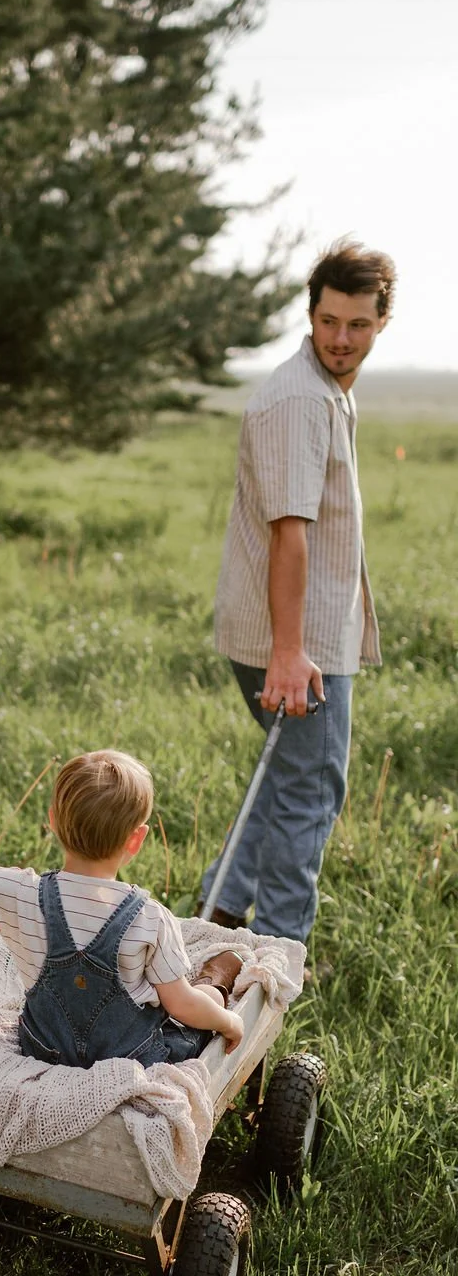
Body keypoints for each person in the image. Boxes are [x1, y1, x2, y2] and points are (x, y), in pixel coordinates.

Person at [200, 240, 395, 942]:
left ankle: (216, 914)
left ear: (381, 323)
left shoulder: (325, 391)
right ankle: (278, 958)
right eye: (329, 321)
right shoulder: (298, 401)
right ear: (310, 315)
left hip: (300, 633)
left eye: (359, 325)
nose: (341, 339)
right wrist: (290, 651)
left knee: (288, 779)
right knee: (310, 793)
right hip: (293, 641)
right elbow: (290, 534)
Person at [0, 749, 244, 1069]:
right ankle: (217, 982)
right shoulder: (149, 917)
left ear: (52, 821)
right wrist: (228, 1023)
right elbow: (180, 1006)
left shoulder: (20, 894)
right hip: (130, 1055)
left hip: (44, 1049)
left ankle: (213, 980)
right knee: (195, 1007)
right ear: (136, 840)